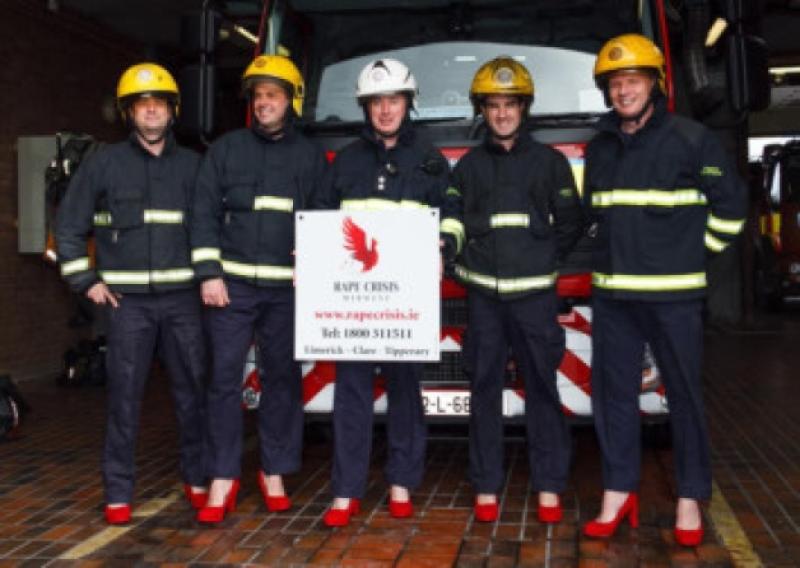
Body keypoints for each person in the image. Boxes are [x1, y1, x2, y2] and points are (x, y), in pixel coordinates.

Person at [581, 34, 747, 546]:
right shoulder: (599, 146)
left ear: (654, 83)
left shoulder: (691, 139)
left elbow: (732, 209)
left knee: (684, 400)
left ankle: (690, 499)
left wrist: (695, 256)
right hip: (613, 298)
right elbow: (596, 217)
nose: (623, 90)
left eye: (632, 79)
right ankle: (617, 492)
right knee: (613, 400)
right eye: (614, 83)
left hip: (674, 298)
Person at [56, 63, 207, 524]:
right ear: (129, 113)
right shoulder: (103, 163)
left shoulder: (195, 166)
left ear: (173, 110)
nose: (151, 110)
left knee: (192, 392)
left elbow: (212, 228)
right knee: (124, 398)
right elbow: (68, 225)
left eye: (159, 103)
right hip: (127, 305)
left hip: (183, 300)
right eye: (142, 104)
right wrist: (87, 281)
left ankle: (197, 478)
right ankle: (119, 492)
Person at [439, 56, 584, 524]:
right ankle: (485, 485)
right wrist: (463, 265)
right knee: (482, 389)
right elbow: (453, 223)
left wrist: (541, 262)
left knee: (542, 388)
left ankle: (549, 486)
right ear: (483, 110)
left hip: (535, 300)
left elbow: (571, 227)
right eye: (493, 105)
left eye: (510, 104)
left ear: (525, 108)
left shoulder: (551, 164)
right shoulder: (467, 168)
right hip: (484, 300)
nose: (502, 113)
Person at [190, 55, 326, 523]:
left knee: (282, 380)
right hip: (231, 289)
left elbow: (325, 217)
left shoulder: (310, 156)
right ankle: (223, 476)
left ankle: (275, 471)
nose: (264, 102)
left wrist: (315, 258)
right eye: (259, 94)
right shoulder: (224, 150)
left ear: (291, 101)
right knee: (223, 381)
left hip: (286, 293)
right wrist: (209, 272)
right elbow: (203, 213)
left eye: (274, 94)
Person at [315, 58, 450, 527]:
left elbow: (449, 215)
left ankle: (400, 483)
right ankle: (345, 492)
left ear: (408, 104)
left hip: (402, 302)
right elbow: (322, 222)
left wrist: (443, 244)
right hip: (354, 303)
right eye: (376, 102)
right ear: (366, 108)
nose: (385, 110)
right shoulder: (346, 161)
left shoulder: (431, 160)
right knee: (350, 393)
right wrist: (308, 262)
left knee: (405, 391)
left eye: (393, 100)